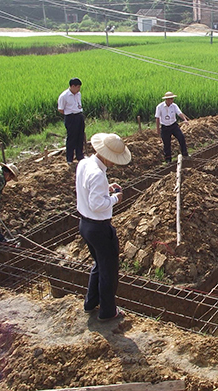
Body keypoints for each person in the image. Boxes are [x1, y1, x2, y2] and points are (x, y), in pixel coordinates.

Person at [76, 133, 131, 321]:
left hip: (85, 224)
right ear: (105, 155)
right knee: (109, 270)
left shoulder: (84, 164)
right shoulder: (98, 175)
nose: (115, 164)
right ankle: (108, 311)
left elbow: (88, 189)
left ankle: (91, 302)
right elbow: (97, 205)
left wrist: (105, 189)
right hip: (99, 228)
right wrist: (115, 198)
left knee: (98, 265)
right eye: (114, 160)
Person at [155, 91, 189, 163]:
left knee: (181, 137)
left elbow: (179, 113)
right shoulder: (159, 107)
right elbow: (157, 118)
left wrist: (185, 120)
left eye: (172, 99)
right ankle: (168, 159)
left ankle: (185, 154)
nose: (172, 100)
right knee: (166, 143)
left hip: (173, 126)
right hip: (165, 127)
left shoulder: (174, 106)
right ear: (167, 99)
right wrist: (158, 129)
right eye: (171, 99)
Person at [58, 78, 85, 165]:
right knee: (72, 138)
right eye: (77, 87)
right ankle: (69, 159)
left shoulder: (78, 94)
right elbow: (61, 109)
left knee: (80, 137)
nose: (79, 89)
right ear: (72, 86)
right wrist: (70, 114)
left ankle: (80, 156)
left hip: (79, 116)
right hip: (71, 118)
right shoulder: (64, 96)